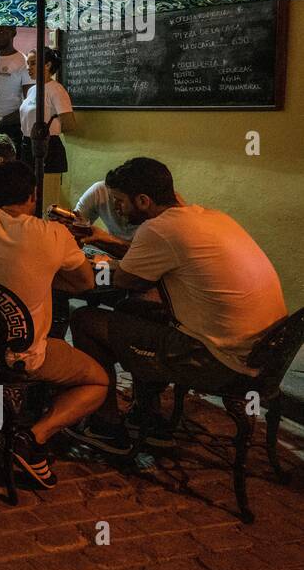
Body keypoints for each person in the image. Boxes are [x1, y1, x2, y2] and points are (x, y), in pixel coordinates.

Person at [66, 158, 286, 454]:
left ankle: (105, 426)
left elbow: (123, 280)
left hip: (219, 362)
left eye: (119, 202)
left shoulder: (158, 230)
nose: (116, 210)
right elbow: (154, 256)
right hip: (266, 356)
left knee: (85, 320)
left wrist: (83, 264)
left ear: (143, 200)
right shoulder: (210, 217)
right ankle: (149, 415)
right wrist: (107, 243)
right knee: (141, 312)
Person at [0, 161, 106, 488]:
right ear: (34, 195)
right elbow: (85, 283)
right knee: (98, 381)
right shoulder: (53, 234)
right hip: (16, 355)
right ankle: (31, 439)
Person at [18, 47, 75, 209]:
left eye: (33, 63)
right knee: (29, 198)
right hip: (27, 146)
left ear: (48, 65)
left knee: (47, 200)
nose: (29, 68)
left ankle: (46, 231)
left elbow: (69, 123)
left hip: (48, 148)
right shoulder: (32, 90)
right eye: (28, 64)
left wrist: (50, 129)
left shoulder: (56, 90)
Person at [73, 178, 138, 258]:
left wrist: (109, 239)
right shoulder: (101, 190)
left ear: (143, 200)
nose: (115, 206)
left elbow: (145, 255)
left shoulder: (154, 221)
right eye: (114, 198)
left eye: (120, 200)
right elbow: (76, 224)